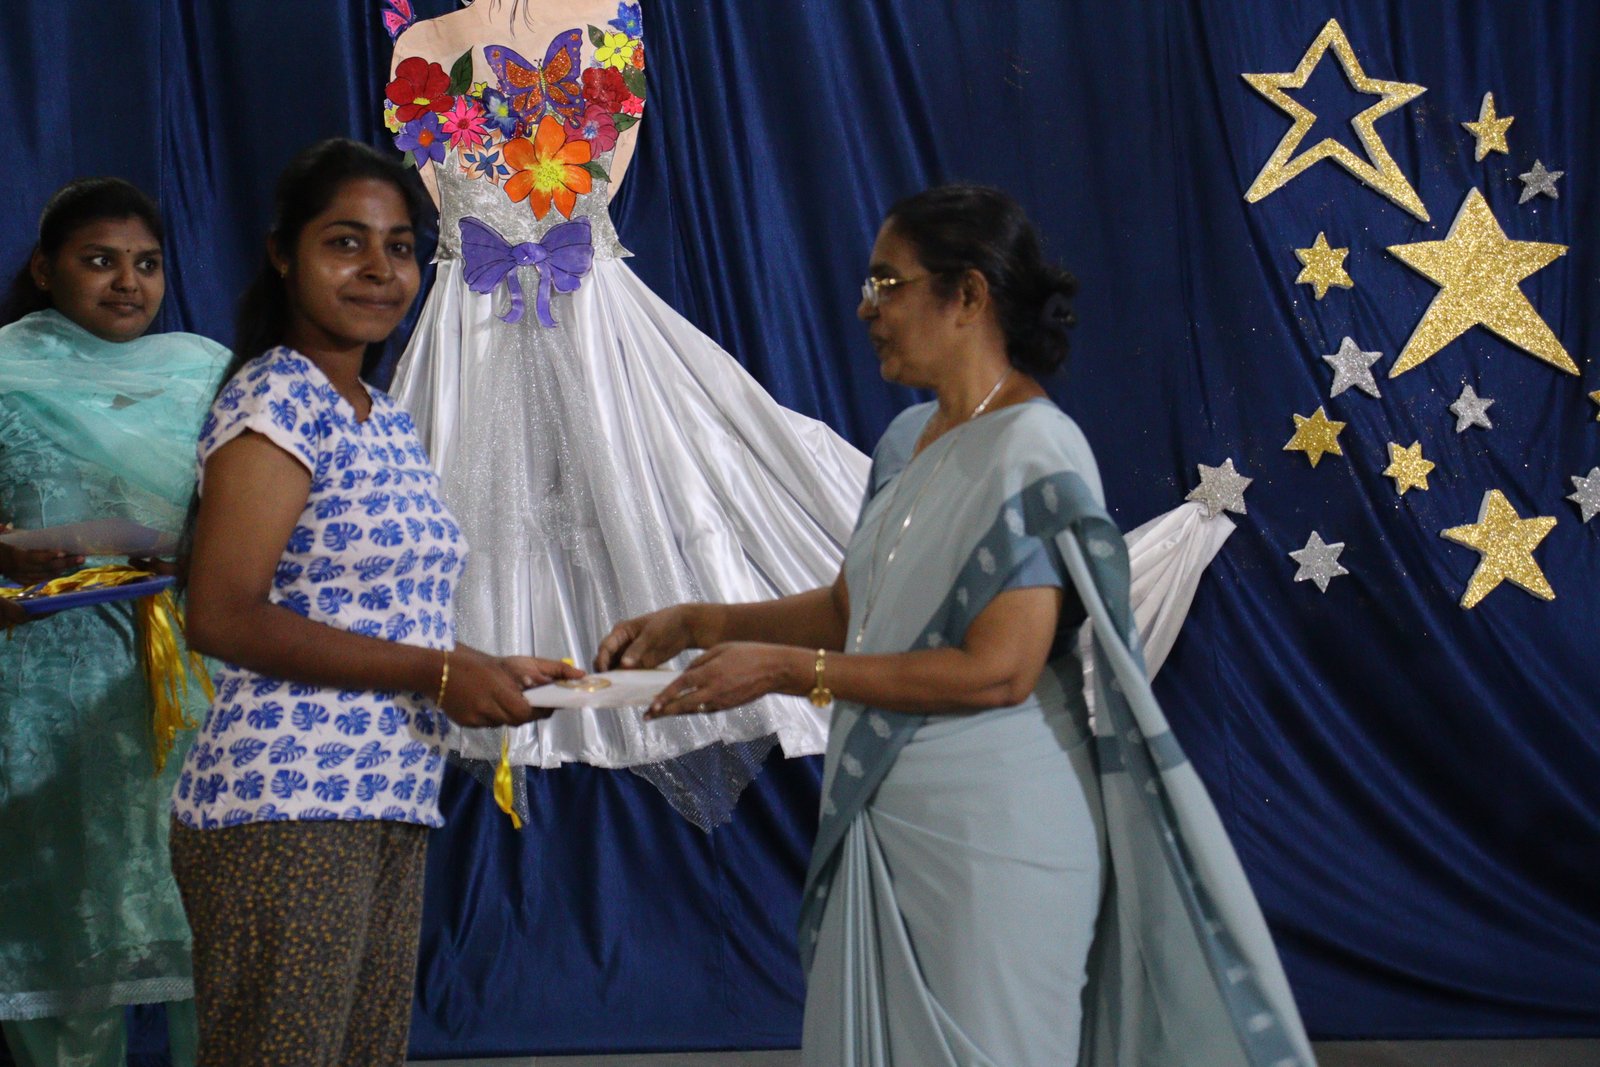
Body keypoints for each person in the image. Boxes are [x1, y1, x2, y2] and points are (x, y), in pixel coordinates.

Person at [596, 185, 1315, 1066]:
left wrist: (785, 672)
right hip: (894, 817)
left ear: (968, 294)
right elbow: (854, 613)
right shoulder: (908, 441)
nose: (866, 309)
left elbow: (999, 670)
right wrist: (697, 621)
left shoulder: (1038, 450)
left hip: (996, 846)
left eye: (887, 284)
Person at [385, 0, 871, 825]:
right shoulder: (420, 45)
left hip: (591, 314)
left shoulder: (609, 25)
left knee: (668, 481)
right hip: (467, 323)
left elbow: (602, 174)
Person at [168, 138, 580, 1066]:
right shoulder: (278, 397)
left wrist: (481, 668)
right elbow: (222, 614)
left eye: (400, 247)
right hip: (287, 804)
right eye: (345, 242)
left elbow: (379, 613)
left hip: (385, 796)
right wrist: (438, 671)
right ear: (283, 254)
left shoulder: (377, 412)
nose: (379, 270)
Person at [0, 178, 230, 1067]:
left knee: (210, 927)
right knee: (67, 926)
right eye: (99, 260)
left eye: (146, 263)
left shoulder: (206, 371)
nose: (128, 283)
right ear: (44, 268)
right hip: (45, 689)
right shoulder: (6, 370)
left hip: (192, 680)